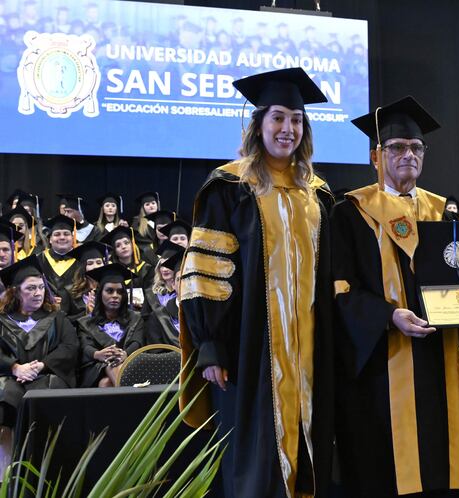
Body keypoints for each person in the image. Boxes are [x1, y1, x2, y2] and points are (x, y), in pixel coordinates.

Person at [178, 68, 335, 498]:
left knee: (311, 456)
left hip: (308, 350)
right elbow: (205, 274)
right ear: (259, 124)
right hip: (250, 351)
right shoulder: (229, 187)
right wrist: (211, 347)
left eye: (297, 120)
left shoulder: (317, 195)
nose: (288, 130)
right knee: (250, 462)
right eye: (279, 118)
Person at [332, 96, 459, 497]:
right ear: (376, 156)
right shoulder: (349, 213)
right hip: (380, 362)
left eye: (415, 148)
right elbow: (340, 291)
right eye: (396, 148)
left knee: (440, 460)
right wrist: (388, 316)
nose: (407, 155)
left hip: (436, 358)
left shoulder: (443, 213)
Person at [0, 257, 79, 467]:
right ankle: (6, 471)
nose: (38, 293)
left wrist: (41, 365)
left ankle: (50, 465)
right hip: (10, 378)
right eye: (31, 288)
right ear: (16, 292)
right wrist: (15, 367)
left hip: (46, 376)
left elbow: (70, 347)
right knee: (5, 395)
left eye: (41, 287)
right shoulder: (2, 320)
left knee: (46, 393)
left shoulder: (56, 317)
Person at [76, 264, 144, 387]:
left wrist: (125, 354)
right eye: (109, 291)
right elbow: (85, 346)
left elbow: (137, 342)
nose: (115, 295)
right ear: (100, 293)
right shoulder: (86, 322)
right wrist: (98, 354)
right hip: (96, 366)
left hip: (129, 362)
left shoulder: (135, 317)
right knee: (112, 366)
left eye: (119, 292)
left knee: (106, 383)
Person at [142, 241, 182, 345]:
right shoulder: (152, 294)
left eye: (167, 265)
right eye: (162, 265)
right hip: (159, 339)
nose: (164, 269)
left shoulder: (181, 294)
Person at [100, 226, 154, 300]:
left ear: (132, 245)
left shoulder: (146, 269)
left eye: (126, 243)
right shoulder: (111, 271)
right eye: (118, 245)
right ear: (114, 251)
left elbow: (151, 294)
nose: (123, 247)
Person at [64, 241, 109, 319]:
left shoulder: (111, 290)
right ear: (83, 268)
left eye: (99, 262)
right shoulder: (70, 293)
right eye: (90, 263)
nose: (95, 267)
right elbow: (64, 322)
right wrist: (86, 313)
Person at [37, 214, 78, 300]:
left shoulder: (81, 260)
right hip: (46, 309)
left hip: (78, 311)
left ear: (72, 238)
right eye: (57, 234)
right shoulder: (39, 260)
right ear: (50, 239)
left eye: (66, 234)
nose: (62, 237)